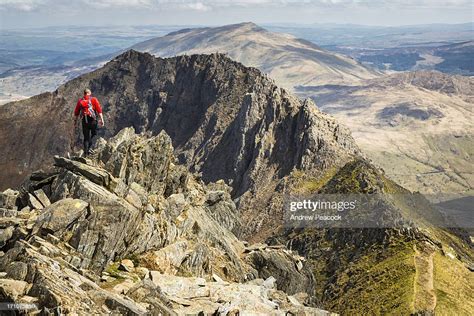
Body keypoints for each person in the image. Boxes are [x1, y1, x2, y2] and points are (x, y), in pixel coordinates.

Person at [74, 88, 105, 156]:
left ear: (84, 93)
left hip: (84, 121)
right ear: (89, 93)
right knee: (94, 134)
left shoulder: (80, 101)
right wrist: (102, 119)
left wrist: (75, 123)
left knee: (86, 137)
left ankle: (85, 153)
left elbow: (76, 113)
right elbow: (99, 110)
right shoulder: (93, 99)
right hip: (92, 120)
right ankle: (89, 148)